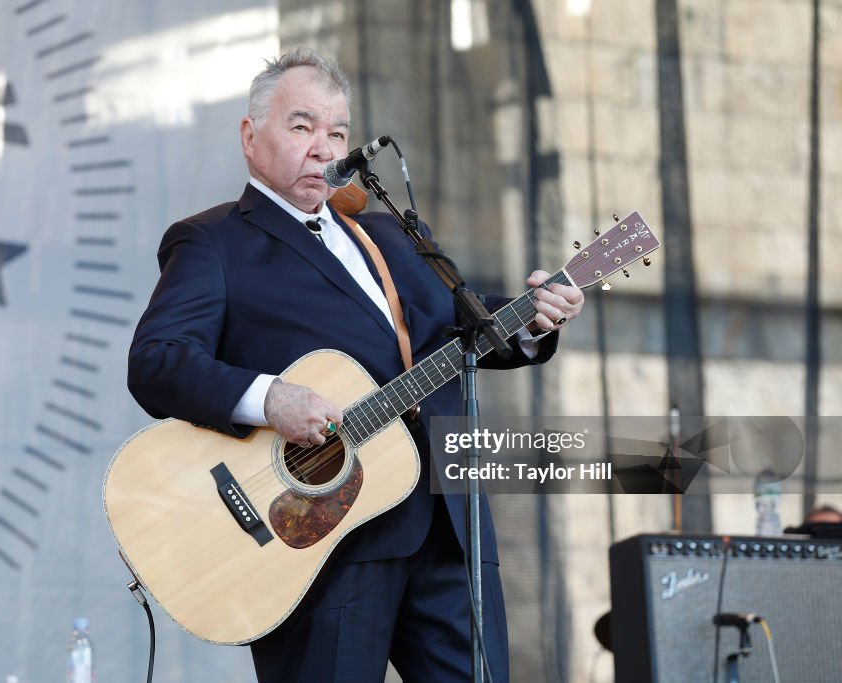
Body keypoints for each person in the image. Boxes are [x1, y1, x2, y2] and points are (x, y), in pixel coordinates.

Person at [127, 46, 583, 683]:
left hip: (448, 529)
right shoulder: (213, 242)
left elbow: (459, 335)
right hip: (319, 541)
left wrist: (534, 319)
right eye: (302, 126)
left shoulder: (392, 236)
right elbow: (156, 362)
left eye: (338, 132)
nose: (324, 147)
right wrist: (268, 399)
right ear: (250, 137)